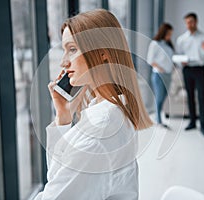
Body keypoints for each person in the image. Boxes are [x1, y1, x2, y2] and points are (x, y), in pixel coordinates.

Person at [34, 9, 153, 200]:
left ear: (102, 54)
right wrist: (63, 116)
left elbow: (53, 195)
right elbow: (59, 177)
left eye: (72, 50)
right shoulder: (111, 107)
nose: (64, 62)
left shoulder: (101, 131)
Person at [176, 12, 204, 137]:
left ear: (196, 22)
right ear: (185, 23)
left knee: (202, 98)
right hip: (187, 70)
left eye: (192, 22)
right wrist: (181, 61)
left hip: (200, 70)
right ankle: (192, 122)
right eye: (187, 22)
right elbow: (178, 55)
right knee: (190, 97)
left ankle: (203, 125)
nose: (190, 24)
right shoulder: (181, 39)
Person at [147, 23, 174, 128]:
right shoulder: (155, 44)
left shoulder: (168, 45)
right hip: (159, 74)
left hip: (168, 74)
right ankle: (158, 120)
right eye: (168, 34)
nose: (170, 36)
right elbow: (150, 60)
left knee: (163, 96)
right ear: (163, 33)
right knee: (159, 97)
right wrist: (161, 68)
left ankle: (158, 118)